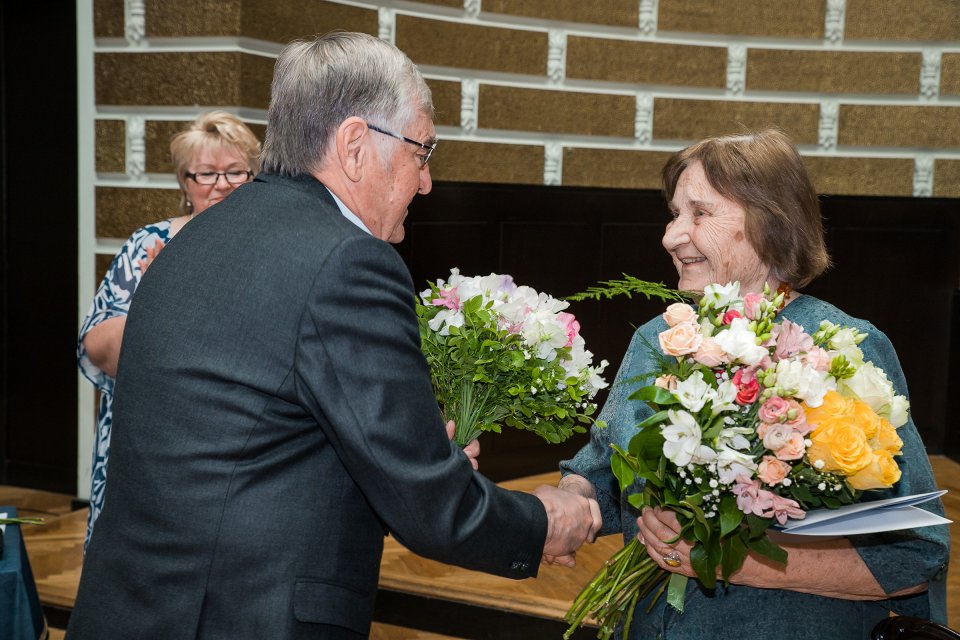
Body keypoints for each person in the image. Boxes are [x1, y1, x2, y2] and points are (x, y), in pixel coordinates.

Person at [66, 32, 601, 639]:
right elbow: (431, 509)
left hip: (134, 608)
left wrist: (412, 446)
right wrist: (542, 521)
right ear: (353, 145)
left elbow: (254, 437)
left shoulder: (191, 241)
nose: (425, 182)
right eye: (422, 151)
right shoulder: (347, 261)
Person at [557, 129, 950, 639]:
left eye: (698, 214)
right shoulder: (660, 339)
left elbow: (915, 553)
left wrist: (731, 560)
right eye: (674, 214)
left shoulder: (847, 350)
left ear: (769, 222)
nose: (671, 236)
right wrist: (567, 502)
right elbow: (603, 472)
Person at [77, 110, 261, 547]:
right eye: (206, 173)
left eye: (236, 172)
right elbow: (98, 347)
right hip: (144, 449)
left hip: (234, 457)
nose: (221, 185)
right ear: (184, 182)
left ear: (255, 178)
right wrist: (157, 297)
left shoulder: (272, 250)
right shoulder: (148, 244)